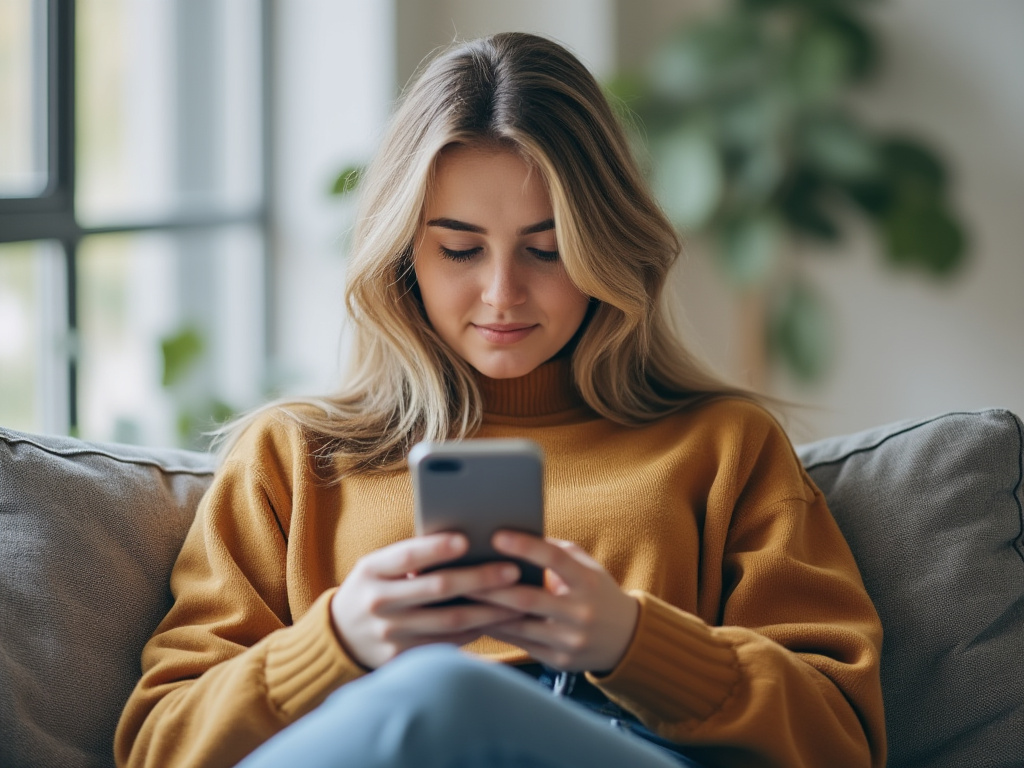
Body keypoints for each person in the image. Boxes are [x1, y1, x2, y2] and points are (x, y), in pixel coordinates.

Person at [114, 32, 886, 768]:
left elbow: (841, 738)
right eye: (460, 249)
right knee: (437, 696)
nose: (502, 292)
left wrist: (633, 642)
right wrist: (337, 642)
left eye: (547, 249)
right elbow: (158, 746)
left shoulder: (724, 445)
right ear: (403, 254)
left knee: (449, 696)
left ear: (605, 246)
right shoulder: (292, 457)